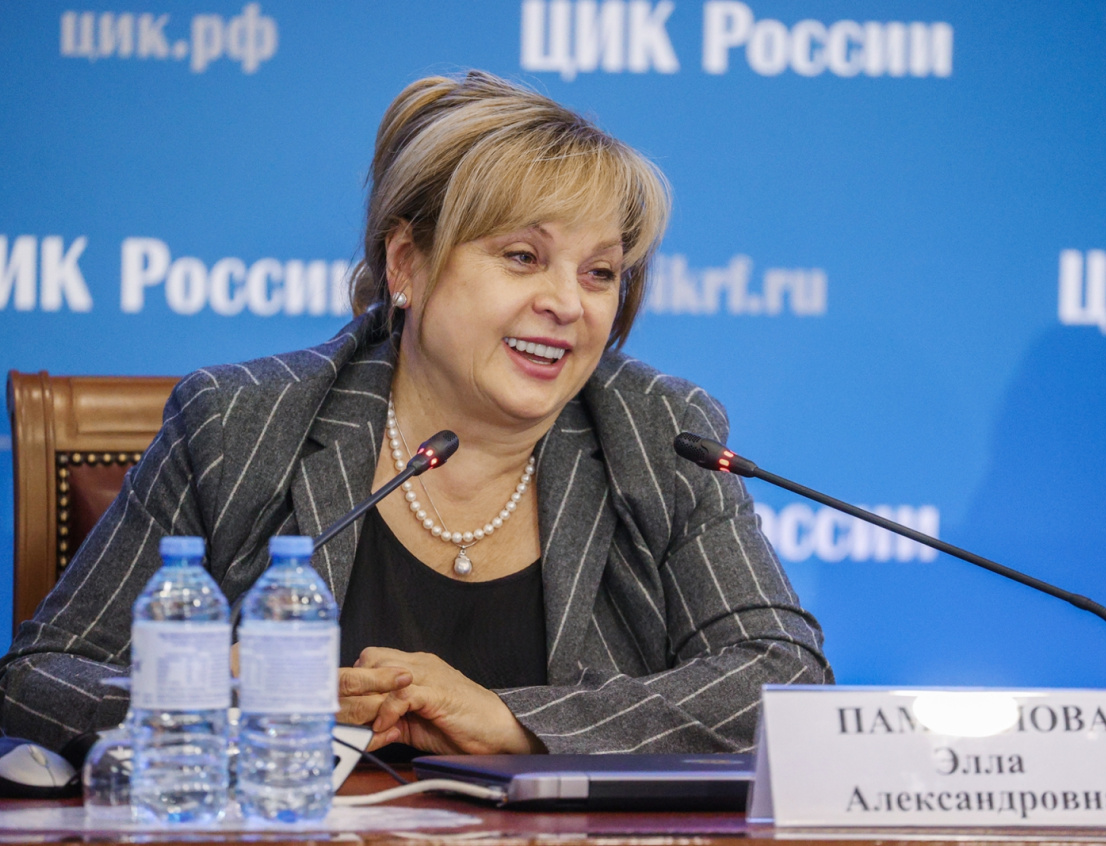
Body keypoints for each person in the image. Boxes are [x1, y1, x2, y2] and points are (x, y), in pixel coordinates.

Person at [0, 71, 832, 757]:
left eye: (599, 273)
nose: (567, 304)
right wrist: (212, 688)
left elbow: (784, 678)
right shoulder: (239, 425)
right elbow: (36, 681)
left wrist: (514, 723)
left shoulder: (657, 434)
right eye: (523, 257)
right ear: (407, 264)